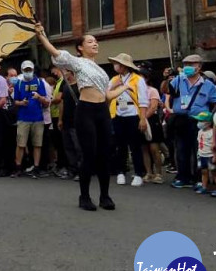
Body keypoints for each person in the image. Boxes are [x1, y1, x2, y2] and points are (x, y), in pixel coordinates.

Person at [34, 25, 131, 211]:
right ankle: (84, 196)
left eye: (95, 41)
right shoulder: (77, 63)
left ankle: (105, 196)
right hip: (86, 111)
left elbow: (108, 96)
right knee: (88, 154)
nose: (95, 43)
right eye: (90, 41)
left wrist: (123, 88)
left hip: (102, 111)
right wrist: (42, 35)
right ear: (80, 47)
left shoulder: (101, 70)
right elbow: (55, 52)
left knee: (104, 155)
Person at [167, 55, 216, 189]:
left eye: (191, 64)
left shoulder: (208, 85)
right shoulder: (178, 80)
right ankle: (183, 177)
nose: (188, 67)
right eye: (186, 64)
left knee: (199, 150)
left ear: (199, 66)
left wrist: (210, 116)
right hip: (180, 119)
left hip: (199, 121)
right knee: (181, 149)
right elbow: (168, 93)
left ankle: (199, 179)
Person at [107, 53, 148, 187]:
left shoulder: (137, 79)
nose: (115, 66)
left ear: (124, 66)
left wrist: (142, 118)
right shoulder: (113, 79)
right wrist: (114, 86)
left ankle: (138, 173)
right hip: (117, 114)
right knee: (120, 145)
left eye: (117, 63)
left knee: (135, 145)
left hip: (133, 114)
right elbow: (106, 96)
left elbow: (143, 101)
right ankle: (121, 172)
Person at [12, 60, 50, 179]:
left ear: (33, 70)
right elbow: (15, 101)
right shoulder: (18, 83)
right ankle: (18, 167)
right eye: (25, 70)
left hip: (38, 118)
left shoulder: (39, 82)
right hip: (23, 118)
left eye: (29, 69)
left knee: (37, 144)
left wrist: (39, 97)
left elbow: (46, 101)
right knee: (21, 144)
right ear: (22, 71)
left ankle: (37, 167)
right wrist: (21, 103)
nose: (28, 72)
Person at [193, 111, 215, 195]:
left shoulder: (212, 132)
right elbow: (199, 143)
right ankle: (204, 186)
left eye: (201, 121)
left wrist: (215, 155)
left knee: (214, 172)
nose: (199, 123)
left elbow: (214, 145)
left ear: (208, 123)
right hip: (202, 154)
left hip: (210, 155)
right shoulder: (200, 132)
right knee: (203, 171)